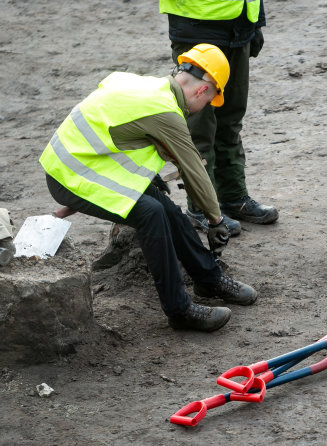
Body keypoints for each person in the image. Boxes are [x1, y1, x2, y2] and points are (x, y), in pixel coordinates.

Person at [39, 44, 257, 333]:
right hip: (69, 175)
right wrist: (216, 221)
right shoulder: (165, 111)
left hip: (85, 163)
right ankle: (179, 311)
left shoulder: (147, 86)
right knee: (151, 212)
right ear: (203, 91)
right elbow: (194, 170)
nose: (204, 108)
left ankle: (208, 278)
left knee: (163, 204)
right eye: (210, 101)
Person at [160, 0, 278, 236]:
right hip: (198, 25)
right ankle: (202, 208)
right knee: (199, 127)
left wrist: (255, 20)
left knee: (231, 118)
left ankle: (233, 197)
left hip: (239, 23)